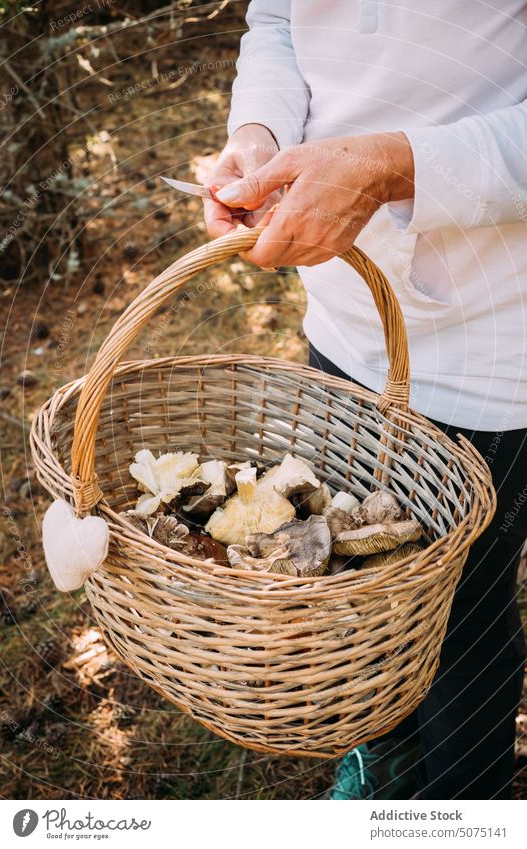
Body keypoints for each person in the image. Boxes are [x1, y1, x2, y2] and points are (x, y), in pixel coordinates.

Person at [203, 1, 527, 800]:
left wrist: (392, 166)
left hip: (494, 341)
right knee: (354, 578)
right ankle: (379, 759)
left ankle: (462, 805)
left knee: (461, 617)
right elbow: (278, 20)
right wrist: (259, 138)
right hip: (347, 320)